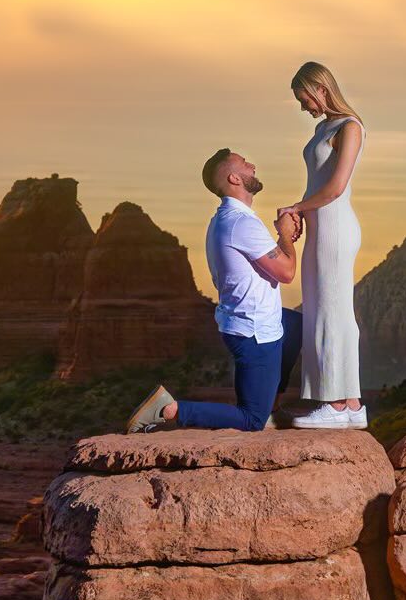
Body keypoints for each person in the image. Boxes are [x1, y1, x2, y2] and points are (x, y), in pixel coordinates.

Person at [126, 148, 302, 432]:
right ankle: (169, 409)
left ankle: (271, 404)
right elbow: (287, 272)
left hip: (252, 322)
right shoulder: (241, 223)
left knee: (297, 325)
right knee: (251, 420)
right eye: (246, 164)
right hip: (255, 332)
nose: (253, 165)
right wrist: (284, 235)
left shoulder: (229, 219)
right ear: (234, 177)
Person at [277, 61, 366, 429]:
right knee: (318, 310)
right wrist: (301, 215)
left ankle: (339, 402)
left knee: (333, 310)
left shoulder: (350, 127)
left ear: (321, 90)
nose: (304, 107)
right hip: (319, 227)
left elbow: (335, 188)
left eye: (304, 99)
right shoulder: (322, 128)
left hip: (336, 228)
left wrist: (298, 207)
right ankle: (348, 404)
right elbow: (317, 184)